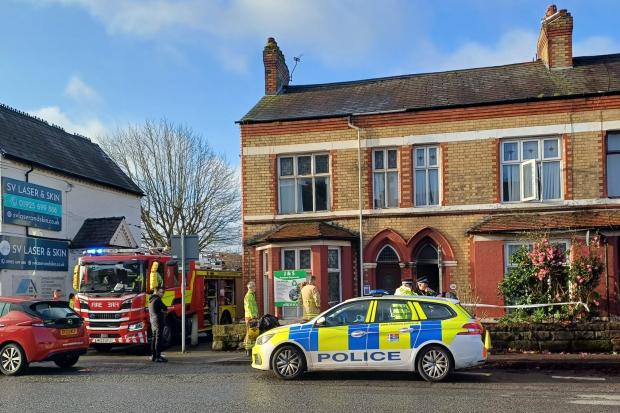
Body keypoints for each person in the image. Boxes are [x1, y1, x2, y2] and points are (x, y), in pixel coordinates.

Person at [149, 287, 168, 362]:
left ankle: (153, 355)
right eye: (161, 292)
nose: (162, 294)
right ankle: (158, 356)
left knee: (154, 337)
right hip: (158, 320)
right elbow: (165, 307)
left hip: (153, 320)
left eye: (163, 292)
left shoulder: (151, 299)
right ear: (156, 291)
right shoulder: (157, 299)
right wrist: (164, 312)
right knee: (158, 338)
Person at [244, 281, 259, 356]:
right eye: (254, 286)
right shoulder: (249, 296)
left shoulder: (251, 295)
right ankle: (248, 349)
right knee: (250, 334)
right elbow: (249, 307)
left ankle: (249, 349)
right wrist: (253, 316)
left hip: (251, 317)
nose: (255, 287)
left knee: (251, 333)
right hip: (250, 317)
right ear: (251, 287)